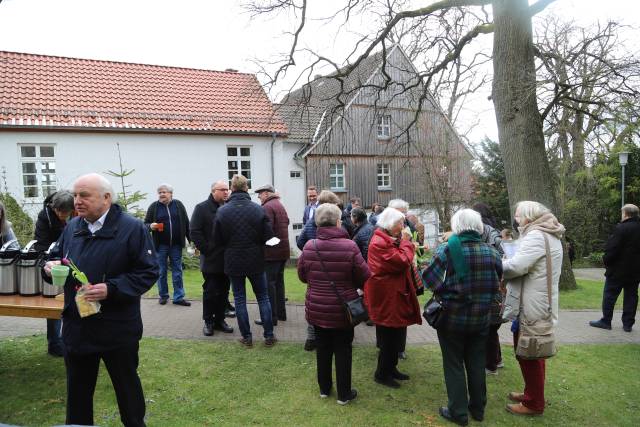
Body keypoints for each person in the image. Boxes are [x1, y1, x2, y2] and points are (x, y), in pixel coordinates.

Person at [43, 173, 158, 427]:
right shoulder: (73, 227)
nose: (77, 201)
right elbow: (57, 258)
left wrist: (112, 288)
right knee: (78, 396)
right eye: (75, 195)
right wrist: (49, 268)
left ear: (106, 198)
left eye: (84, 195)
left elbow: (148, 271)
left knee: (128, 393)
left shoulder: (132, 228)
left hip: (117, 328)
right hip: (78, 325)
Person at [422, 209, 502, 425]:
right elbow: (497, 282)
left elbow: (429, 280)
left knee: (454, 363)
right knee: (477, 361)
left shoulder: (447, 250)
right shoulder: (492, 252)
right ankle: (478, 409)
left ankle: (458, 412)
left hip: (452, 318)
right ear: (479, 227)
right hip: (481, 318)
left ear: (456, 226)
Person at [297, 203, 370, 405]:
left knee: (323, 348)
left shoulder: (310, 246)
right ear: (338, 222)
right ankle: (344, 394)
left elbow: (302, 276)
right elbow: (365, 276)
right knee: (343, 349)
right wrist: (350, 284)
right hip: (342, 308)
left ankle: (324, 388)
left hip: (317, 306)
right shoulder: (350, 246)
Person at [502, 201, 564, 416]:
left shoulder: (537, 236)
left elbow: (517, 267)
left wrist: (497, 263)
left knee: (530, 353)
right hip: (538, 301)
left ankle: (533, 403)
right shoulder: (547, 233)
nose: (516, 220)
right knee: (532, 351)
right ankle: (531, 394)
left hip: (532, 305)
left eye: (518, 216)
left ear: (528, 216)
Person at [214, 174, 277, 347]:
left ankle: (247, 337)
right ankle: (269, 335)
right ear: (246, 188)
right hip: (256, 259)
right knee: (263, 297)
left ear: (232, 189)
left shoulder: (222, 211)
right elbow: (269, 236)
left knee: (240, 299)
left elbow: (217, 240)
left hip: (233, 261)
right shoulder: (258, 209)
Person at [364, 207, 422, 389]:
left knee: (395, 333)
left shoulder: (385, 238)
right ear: (390, 224)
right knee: (388, 336)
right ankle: (381, 374)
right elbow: (402, 261)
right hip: (386, 296)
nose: (403, 226)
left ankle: (391, 368)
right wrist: (406, 243)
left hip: (391, 294)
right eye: (400, 223)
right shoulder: (379, 242)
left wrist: (402, 243)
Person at [297, 190, 350, 351]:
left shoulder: (313, 220)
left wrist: (310, 252)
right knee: (339, 303)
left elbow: (300, 241)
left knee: (315, 303)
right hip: (337, 268)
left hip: (316, 268)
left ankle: (312, 338)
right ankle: (338, 337)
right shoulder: (341, 222)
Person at [190, 181, 234, 336]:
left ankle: (220, 320)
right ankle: (208, 321)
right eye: (222, 190)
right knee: (210, 291)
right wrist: (207, 249)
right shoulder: (202, 208)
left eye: (227, 190)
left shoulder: (228, 207)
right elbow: (194, 231)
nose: (226, 192)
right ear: (213, 191)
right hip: (210, 259)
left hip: (227, 258)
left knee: (224, 291)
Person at [33, 190, 75, 357]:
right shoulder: (45, 217)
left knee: (71, 301)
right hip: (54, 264)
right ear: (54, 207)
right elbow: (40, 243)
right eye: (60, 212)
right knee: (53, 303)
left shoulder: (76, 210)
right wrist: (49, 261)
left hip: (73, 261)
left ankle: (71, 340)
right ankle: (55, 344)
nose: (63, 215)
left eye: (67, 212)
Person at [590, 204, 640, 333]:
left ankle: (606, 321)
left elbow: (613, 248)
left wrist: (606, 260)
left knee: (610, 295)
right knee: (631, 296)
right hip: (635, 271)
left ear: (626, 214)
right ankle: (628, 324)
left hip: (617, 270)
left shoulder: (621, 228)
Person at [144, 183, 191, 306]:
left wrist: (191, 240)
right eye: (159, 192)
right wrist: (151, 226)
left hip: (176, 245)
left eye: (164, 192)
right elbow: (145, 225)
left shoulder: (178, 205)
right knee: (161, 271)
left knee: (177, 271)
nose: (161, 194)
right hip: (160, 246)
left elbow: (186, 223)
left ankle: (178, 297)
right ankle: (163, 295)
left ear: (170, 193)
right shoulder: (154, 207)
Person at [472, 202, 505, 375]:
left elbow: (501, 254)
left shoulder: (488, 232)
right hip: (493, 284)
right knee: (492, 327)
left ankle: (491, 364)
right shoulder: (493, 229)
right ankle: (496, 359)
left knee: (490, 328)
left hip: (490, 284)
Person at [255, 184, 290, 326]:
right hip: (282, 251)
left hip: (271, 253)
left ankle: (270, 318)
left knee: (269, 285)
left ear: (267, 194)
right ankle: (281, 314)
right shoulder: (279, 205)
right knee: (279, 284)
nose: (258, 196)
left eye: (260, 194)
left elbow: (265, 230)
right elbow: (286, 222)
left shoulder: (267, 207)